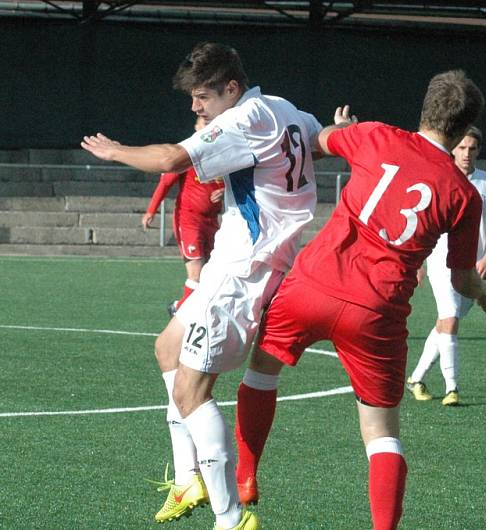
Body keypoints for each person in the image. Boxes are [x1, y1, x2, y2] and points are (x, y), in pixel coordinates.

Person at [81, 41, 338, 530]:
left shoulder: (243, 119)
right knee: (166, 349)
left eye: (202, 97)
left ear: (232, 88)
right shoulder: (283, 108)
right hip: (232, 264)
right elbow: (319, 141)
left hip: (244, 272)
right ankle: (189, 479)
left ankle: (231, 518)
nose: (196, 108)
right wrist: (341, 134)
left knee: (191, 390)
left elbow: (173, 159)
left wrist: (114, 151)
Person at [232, 69, 486, 530]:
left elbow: (324, 140)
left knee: (261, 372)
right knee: (382, 435)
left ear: (425, 107)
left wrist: (342, 126)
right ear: (461, 131)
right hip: (376, 312)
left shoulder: (374, 136)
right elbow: (459, 277)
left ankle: (246, 475)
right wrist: (484, 291)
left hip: (311, 286)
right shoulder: (464, 194)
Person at [406, 126, 486, 406]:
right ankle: (453, 388)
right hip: (442, 259)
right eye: (461, 147)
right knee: (450, 321)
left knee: (445, 323)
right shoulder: (439, 177)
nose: (466, 153)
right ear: (453, 147)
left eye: (472, 148)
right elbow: (422, 221)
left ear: (478, 150)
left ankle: (416, 378)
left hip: (471, 263)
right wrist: (418, 261)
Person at [141, 116, 225, 316]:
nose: (208, 127)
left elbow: (233, 185)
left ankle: (180, 307)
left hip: (213, 222)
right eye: (204, 123)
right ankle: (183, 313)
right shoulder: (187, 153)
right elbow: (166, 182)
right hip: (189, 220)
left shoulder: (223, 154)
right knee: (196, 273)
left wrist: (225, 192)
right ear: (196, 127)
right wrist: (151, 210)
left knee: (211, 274)